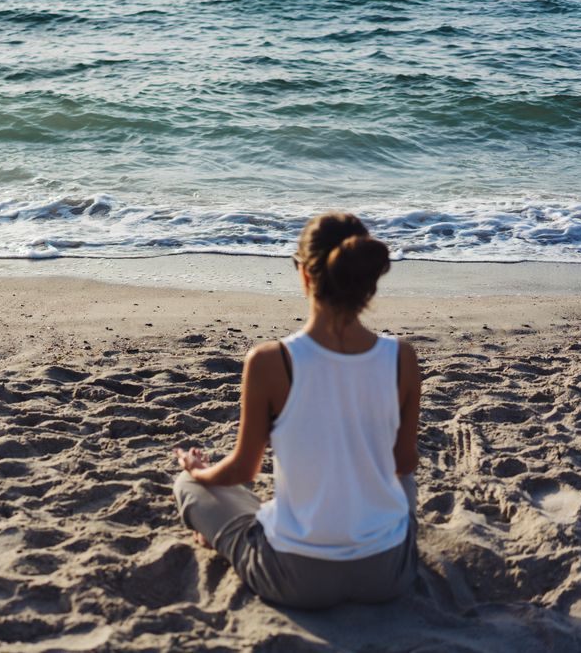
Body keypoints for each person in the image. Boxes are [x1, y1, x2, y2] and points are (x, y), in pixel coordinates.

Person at [172, 212, 421, 609]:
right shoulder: (401, 358)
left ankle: (220, 534)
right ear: (368, 281)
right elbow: (404, 464)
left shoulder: (272, 361)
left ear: (305, 274)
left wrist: (199, 471)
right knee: (404, 487)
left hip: (297, 578)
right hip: (386, 575)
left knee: (188, 487)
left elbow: (243, 471)